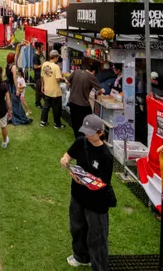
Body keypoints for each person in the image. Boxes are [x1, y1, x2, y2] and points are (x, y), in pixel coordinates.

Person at [60, 115, 115, 270]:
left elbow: (103, 182)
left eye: (90, 133)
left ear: (100, 133)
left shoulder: (105, 155)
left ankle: (99, 266)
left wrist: (84, 180)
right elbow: (68, 155)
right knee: (77, 227)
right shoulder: (81, 142)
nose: (87, 135)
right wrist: (66, 161)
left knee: (97, 236)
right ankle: (80, 256)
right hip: (77, 195)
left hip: (96, 202)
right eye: (85, 131)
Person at [67, 65, 101, 138]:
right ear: (94, 71)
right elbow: (100, 90)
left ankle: (78, 137)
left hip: (72, 101)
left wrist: (72, 87)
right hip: (83, 104)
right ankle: (84, 138)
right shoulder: (91, 76)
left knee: (75, 121)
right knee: (87, 121)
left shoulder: (76, 71)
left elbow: (67, 81)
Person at [41, 50, 66, 129]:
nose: (58, 58)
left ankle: (43, 121)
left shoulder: (44, 64)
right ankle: (57, 124)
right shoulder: (56, 67)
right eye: (58, 57)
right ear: (55, 57)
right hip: (55, 92)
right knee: (56, 109)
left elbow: (42, 76)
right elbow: (58, 79)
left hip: (47, 89)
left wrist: (42, 86)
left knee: (46, 106)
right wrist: (64, 79)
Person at [33, 42, 45, 109]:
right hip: (38, 76)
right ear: (38, 48)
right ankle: (38, 103)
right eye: (42, 47)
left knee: (42, 89)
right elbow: (35, 66)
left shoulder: (41, 54)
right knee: (39, 90)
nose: (43, 48)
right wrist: (43, 65)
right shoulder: (35, 56)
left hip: (42, 75)